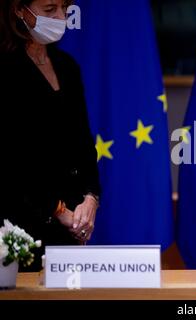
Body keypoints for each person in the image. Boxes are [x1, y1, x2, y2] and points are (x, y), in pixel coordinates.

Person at [0, 0, 100, 270]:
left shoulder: (68, 66)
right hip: (19, 230)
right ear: (19, 10)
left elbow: (83, 145)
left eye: (64, 11)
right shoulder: (5, 70)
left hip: (70, 231)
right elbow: (12, 160)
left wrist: (90, 199)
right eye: (48, 10)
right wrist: (59, 211)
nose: (59, 18)